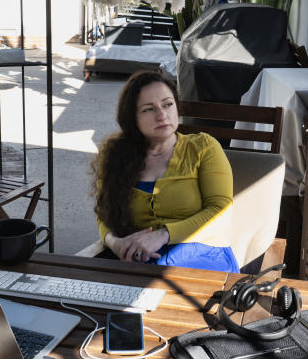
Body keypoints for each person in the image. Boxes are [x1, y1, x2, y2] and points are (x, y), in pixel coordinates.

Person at [92, 70, 239, 273]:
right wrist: (115, 242)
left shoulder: (203, 147)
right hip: (137, 259)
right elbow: (104, 214)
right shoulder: (114, 153)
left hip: (202, 256)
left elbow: (220, 211)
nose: (162, 115)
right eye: (148, 109)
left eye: (168, 104)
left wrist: (162, 235)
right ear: (131, 117)